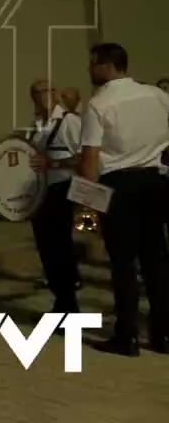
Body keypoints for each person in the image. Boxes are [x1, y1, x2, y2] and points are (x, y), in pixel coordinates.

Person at [78, 43, 169, 356]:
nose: (89, 70)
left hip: (118, 186)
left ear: (106, 66)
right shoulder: (157, 96)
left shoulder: (98, 104)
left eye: (93, 64)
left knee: (123, 264)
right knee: (156, 262)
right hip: (155, 182)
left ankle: (126, 335)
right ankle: (163, 334)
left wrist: (86, 206)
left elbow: (89, 158)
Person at [27, 80, 82, 315]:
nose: (42, 96)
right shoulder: (38, 124)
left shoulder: (70, 121)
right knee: (46, 247)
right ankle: (61, 300)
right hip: (42, 191)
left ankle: (69, 304)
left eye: (46, 91)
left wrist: (53, 163)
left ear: (55, 93)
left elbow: (83, 157)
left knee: (60, 246)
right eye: (36, 93)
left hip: (62, 187)